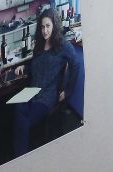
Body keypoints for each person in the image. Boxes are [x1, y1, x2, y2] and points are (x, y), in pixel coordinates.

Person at [11, 9, 82, 156]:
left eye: (48, 26)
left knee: (24, 122)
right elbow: (36, 65)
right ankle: (22, 154)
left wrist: (67, 92)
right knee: (17, 110)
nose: (45, 30)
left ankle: (20, 158)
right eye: (42, 27)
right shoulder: (39, 44)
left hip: (47, 96)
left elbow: (76, 65)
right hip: (31, 91)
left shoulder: (62, 46)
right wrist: (24, 67)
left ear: (54, 25)